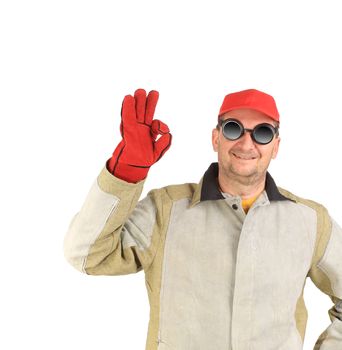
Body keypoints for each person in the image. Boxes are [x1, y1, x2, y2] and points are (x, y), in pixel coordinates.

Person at [63, 88, 342, 350]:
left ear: (276, 146)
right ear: (215, 138)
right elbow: (86, 255)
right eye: (233, 128)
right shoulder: (166, 210)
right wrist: (126, 171)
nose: (247, 143)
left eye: (263, 133)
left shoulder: (309, 221)